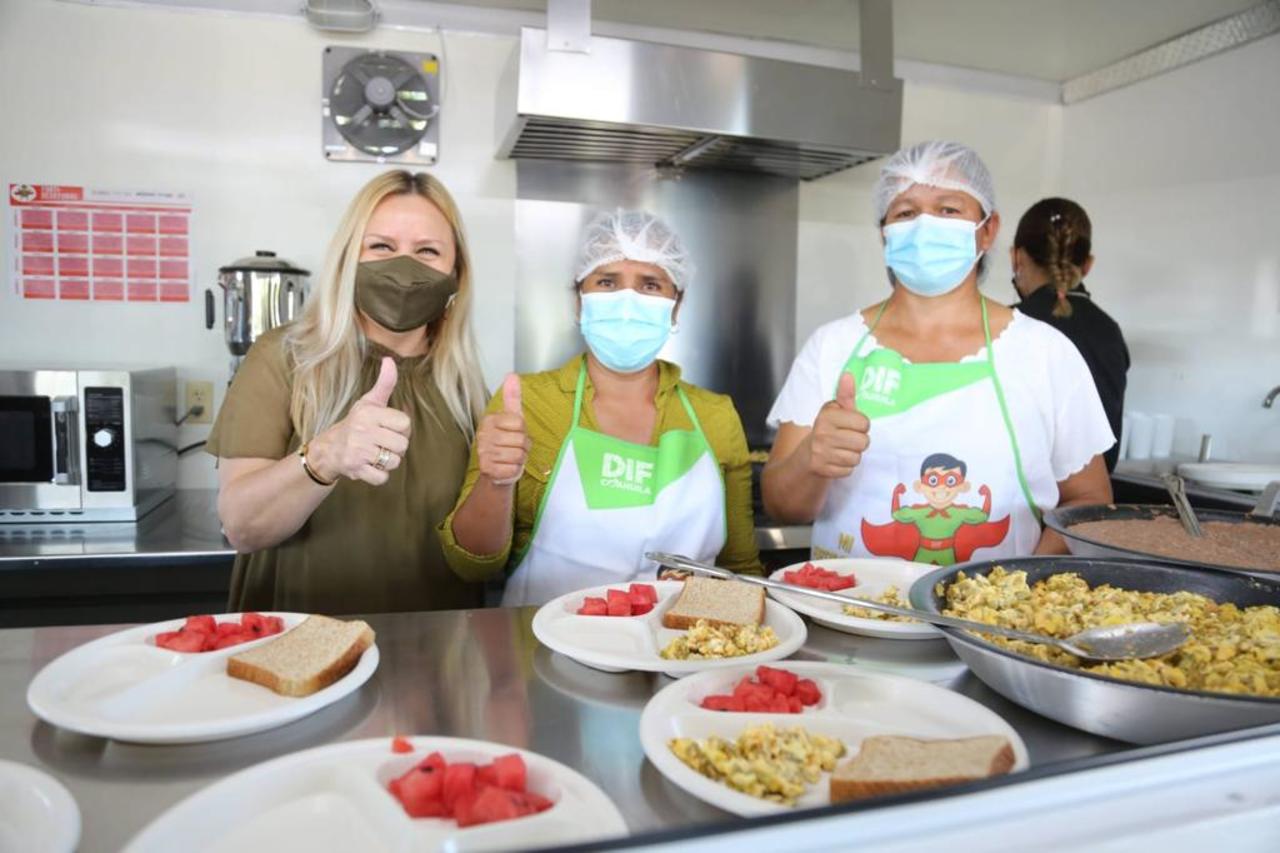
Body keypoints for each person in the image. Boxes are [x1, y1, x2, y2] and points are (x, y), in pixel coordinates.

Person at [762, 141, 1114, 565]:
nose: (925, 225)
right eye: (905, 212)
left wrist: (1019, 583)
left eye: (948, 209)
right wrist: (810, 461)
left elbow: (1088, 501)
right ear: (885, 233)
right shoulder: (832, 346)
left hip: (989, 608)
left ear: (987, 229)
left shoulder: (1044, 352)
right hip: (844, 601)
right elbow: (782, 506)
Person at [440, 210, 763, 606]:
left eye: (650, 284)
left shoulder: (716, 415)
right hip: (546, 640)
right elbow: (472, 566)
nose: (627, 301)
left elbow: (740, 570)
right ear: (579, 302)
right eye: (607, 282)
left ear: (676, 306)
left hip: (681, 639)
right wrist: (495, 482)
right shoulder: (528, 403)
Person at [205, 170, 489, 613]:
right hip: (302, 641)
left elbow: (478, 548)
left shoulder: (463, 387)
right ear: (347, 258)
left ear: (457, 274)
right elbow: (242, 528)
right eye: (381, 246)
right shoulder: (283, 359)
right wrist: (323, 457)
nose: (403, 267)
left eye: (427, 251)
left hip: (433, 644)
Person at [1011, 198, 1129, 471]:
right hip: (1094, 493)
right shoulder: (1109, 331)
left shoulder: (1006, 326)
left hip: (1020, 493)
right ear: (1087, 265)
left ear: (1017, 257)